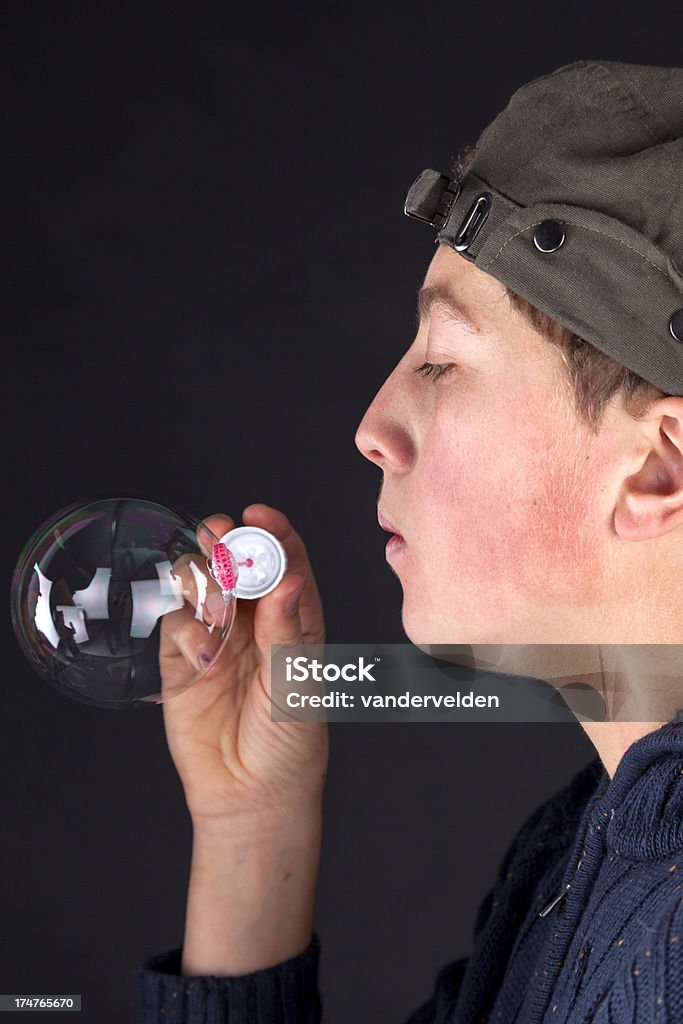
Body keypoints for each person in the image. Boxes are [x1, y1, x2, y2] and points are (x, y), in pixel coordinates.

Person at [136, 59, 683, 1022]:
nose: (372, 425)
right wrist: (249, 824)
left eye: (440, 360)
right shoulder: (582, 848)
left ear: (657, 468)